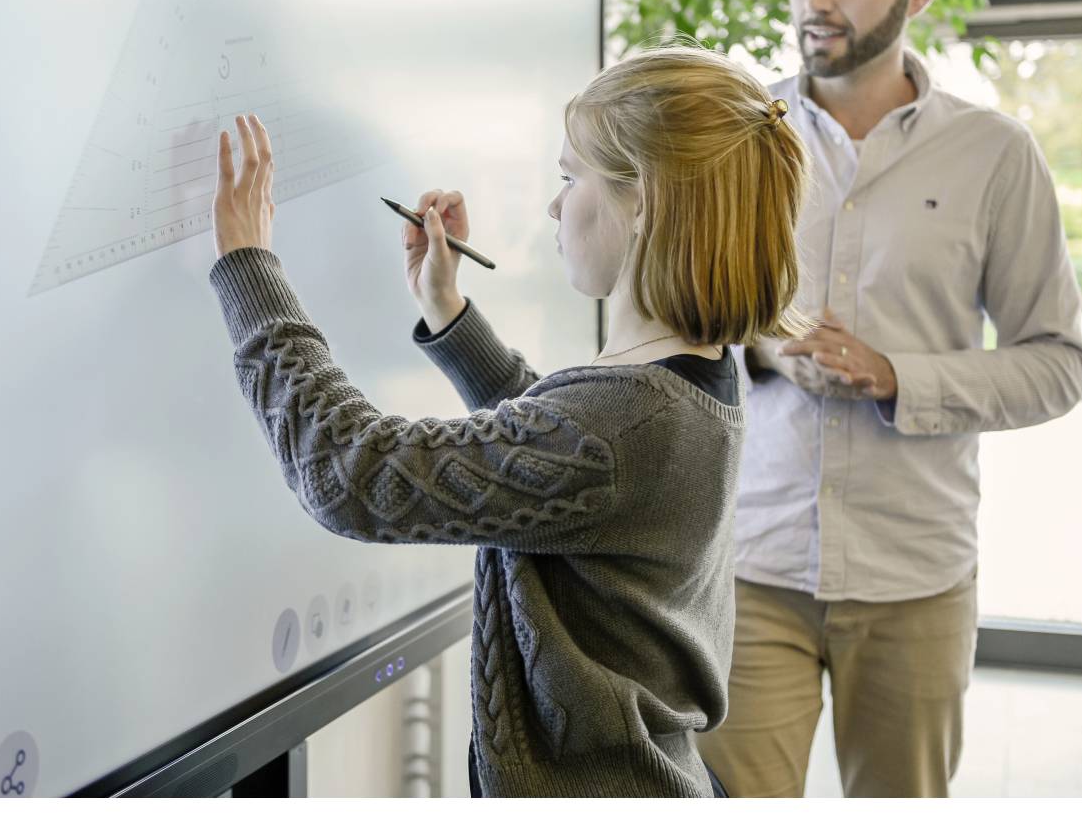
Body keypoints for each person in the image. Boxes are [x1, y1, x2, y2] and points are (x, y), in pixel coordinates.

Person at [207, 46, 810, 797]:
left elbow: (351, 473)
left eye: (570, 177)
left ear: (644, 202)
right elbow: (558, 453)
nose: (556, 206)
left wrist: (247, 266)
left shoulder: (624, 425)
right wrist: (449, 314)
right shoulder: (691, 373)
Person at [695, 0, 1082, 797]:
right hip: (749, 563)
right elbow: (674, 317)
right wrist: (763, 346)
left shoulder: (996, 155)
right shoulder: (733, 137)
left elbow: (1057, 362)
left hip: (914, 574)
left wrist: (894, 376)